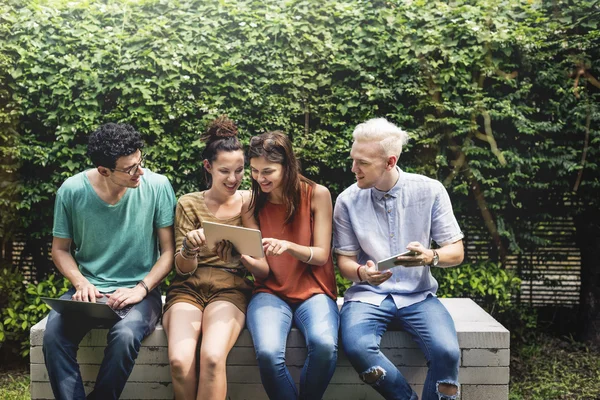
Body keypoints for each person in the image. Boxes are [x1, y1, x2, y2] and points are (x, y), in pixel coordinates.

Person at [333, 118, 465, 400]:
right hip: (366, 296)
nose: (353, 168)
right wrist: (362, 273)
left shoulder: (430, 191)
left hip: (419, 296)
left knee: (448, 353)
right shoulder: (346, 200)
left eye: (363, 163)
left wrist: (431, 256)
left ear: (390, 162)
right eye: (353, 159)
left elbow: (456, 252)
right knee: (357, 348)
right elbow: (344, 264)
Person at [43, 123, 176, 400]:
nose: (139, 172)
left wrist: (141, 288)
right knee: (54, 335)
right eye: (130, 169)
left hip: (142, 291)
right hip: (90, 292)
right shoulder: (72, 190)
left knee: (126, 335)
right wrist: (80, 282)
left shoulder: (158, 185)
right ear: (104, 170)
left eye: (140, 162)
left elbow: (168, 252)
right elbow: (60, 250)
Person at [162, 116, 269, 400]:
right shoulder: (189, 203)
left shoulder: (250, 202)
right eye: (224, 171)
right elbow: (182, 270)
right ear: (208, 167)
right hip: (188, 290)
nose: (233, 179)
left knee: (211, 357)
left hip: (230, 289)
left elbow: (263, 271)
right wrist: (188, 249)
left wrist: (241, 255)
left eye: (239, 170)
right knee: (179, 361)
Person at [245, 131, 339, 400]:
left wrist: (289, 247)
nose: (260, 178)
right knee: (267, 352)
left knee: (324, 346)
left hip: (315, 291)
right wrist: (243, 256)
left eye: (268, 171)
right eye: (253, 171)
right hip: (269, 293)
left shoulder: (317, 194)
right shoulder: (252, 206)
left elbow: (321, 255)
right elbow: (262, 270)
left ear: (287, 166)